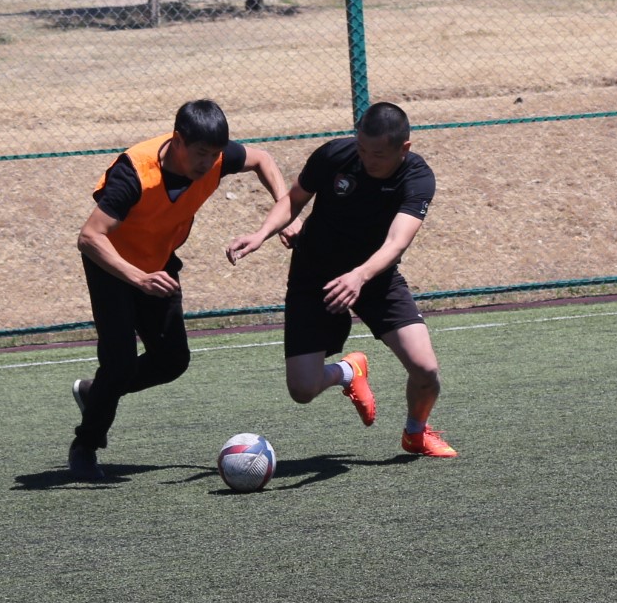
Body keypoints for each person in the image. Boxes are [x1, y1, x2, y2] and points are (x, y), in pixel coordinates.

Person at [70, 99, 286, 480]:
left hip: (157, 263)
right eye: (201, 153)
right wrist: (138, 278)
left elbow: (262, 159)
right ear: (177, 140)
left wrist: (285, 208)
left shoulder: (217, 159)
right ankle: (85, 445)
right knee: (119, 363)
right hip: (112, 268)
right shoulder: (134, 174)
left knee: (172, 361)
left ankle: (98, 392)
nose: (209, 162)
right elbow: (89, 237)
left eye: (216, 154)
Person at [226, 101, 456, 457]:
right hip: (314, 274)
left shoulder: (417, 177)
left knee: (426, 370)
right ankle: (349, 371)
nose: (366, 159)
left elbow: (396, 242)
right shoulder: (335, 154)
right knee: (302, 390)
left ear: (404, 148)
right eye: (362, 148)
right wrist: (261, 234)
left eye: (377, 154)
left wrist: (360, 275)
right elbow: (294, 200)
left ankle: (416, 432)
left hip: (375, 278)